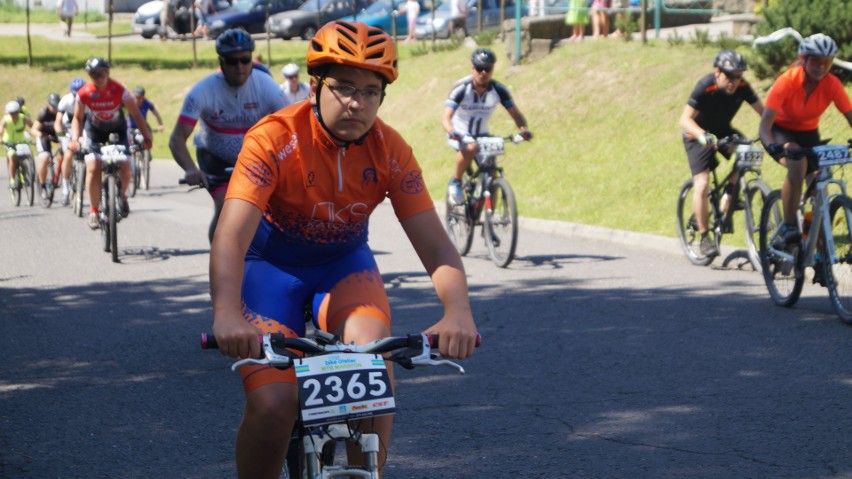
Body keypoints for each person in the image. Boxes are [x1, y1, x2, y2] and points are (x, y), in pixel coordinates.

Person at [209, 20, 478, 478]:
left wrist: (458, 311)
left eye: (371, 91)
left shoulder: (390, 150)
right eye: (344, 87)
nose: (357, 102)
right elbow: (231, 236)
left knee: (372, 385)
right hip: (269, 267)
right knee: (274, 404)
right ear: (314, 86)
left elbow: (435, 245)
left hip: (344, 269)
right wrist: (227, 314)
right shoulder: (272, 139)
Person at [170, 29, 286, 243]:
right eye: (232, 61)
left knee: (271, 210)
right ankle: (219, 260)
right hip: (215, 159)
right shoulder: (204, 90)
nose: (240, 67)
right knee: (226, 206)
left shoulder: (266, 85)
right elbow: (176, 139)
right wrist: (190, 169)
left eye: (245, 59)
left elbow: (292, 126)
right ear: (221, 62)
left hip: (255, 159)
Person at [759, 33, 852, 256]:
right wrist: (773, 146)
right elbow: (764, 126)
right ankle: (789, 226)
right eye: (816, 62)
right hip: (779, 131)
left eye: (827, 63)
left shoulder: (832, 84)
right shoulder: (787, 81)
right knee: (798, 163)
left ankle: (817, 249)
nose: (821, 67)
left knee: (820, 186)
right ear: (804, 59)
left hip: (809, 133)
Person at [679, 50, 764, 257]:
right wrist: (701, 135)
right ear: (717, 72)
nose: (734, 82)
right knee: (702, 183)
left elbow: (765, 112)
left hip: (723, 130)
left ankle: (730, 193)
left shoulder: (742, 87)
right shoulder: (705, 86)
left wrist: (773, 132)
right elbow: (684, 120)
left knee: (747, 153)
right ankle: (705, 237)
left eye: (738, 76)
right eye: (729, 76)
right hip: (696, 134)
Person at [69, 57, 153, 229]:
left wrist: (147, 137)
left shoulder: (119, 90)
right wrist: (75, 139)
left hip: (118, 130)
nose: (98, 78)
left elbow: (136, 114)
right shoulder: (84, 93)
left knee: (124, 163)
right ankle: (93, 210)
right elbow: (77, 118)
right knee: (93, 167)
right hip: (95, 131)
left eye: (101, 74)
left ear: (108, 73)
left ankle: (122, 195)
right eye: (93, 75)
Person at [442, 48, 532, 205]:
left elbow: (516, 115)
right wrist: (452, 131)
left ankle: (489, 217)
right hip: (460, 132)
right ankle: (455, 181)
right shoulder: (462, 88)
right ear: (472, 69)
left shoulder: (498, 90)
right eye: (479, 68)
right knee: (470, 148)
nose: (483, 72)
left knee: (492, 174)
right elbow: (446, 117)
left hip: (482, 135)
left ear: (492, 70)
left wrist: (523, 130)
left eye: (487, 69)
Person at [55, 77, 85, 206]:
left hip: (83, 129)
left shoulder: (89, 100)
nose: (77, 97)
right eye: (75, 94)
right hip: (67, 130)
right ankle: (66, 189)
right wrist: (61, 136)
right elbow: (57, 122)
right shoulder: (66, 101)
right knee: (68, 154)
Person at [33, 93, 62, 198]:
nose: (55, 109)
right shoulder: (43, 113)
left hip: (56, 135)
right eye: (53, 106)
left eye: (56, 106)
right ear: (49, 104)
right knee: (45, 158)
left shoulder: (61, 112)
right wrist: (42, 134)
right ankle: (42, 184)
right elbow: (34, 129)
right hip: (44, 136)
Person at [2, 100, 33, 190]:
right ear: (8, 113)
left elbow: (33, 126)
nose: (14, 115)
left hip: (21, 142)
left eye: (15, 113)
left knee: (26, 157)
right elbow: (1, 129)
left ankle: (25, 175)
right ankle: (12, 180)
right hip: (9, 142)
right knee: (12, 157)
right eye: (11, 113)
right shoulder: (6, 120)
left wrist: (34, 135)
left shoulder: (23, 118)